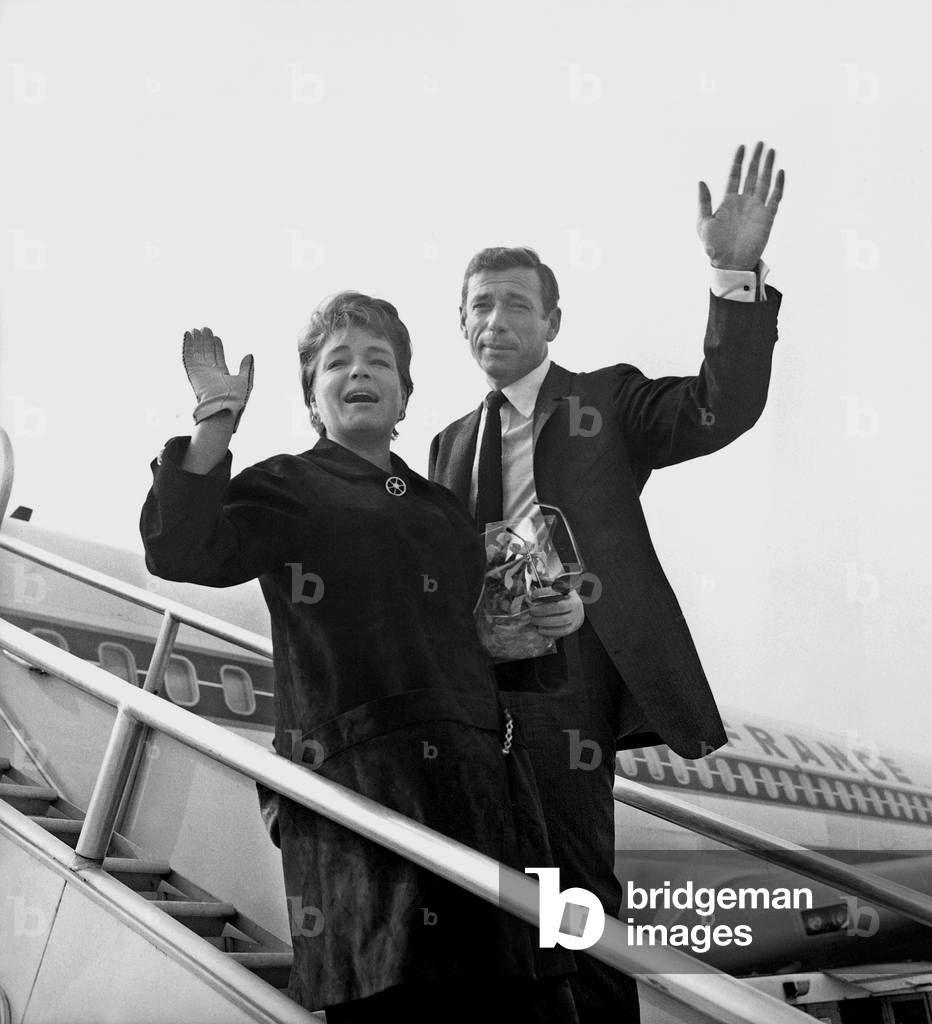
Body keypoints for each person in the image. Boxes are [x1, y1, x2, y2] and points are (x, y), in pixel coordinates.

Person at [139, 293, 578, 1022]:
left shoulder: (442, 511)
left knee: (524, 994)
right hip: (363, 807)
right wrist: (216, 421)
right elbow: (179, 547)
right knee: (393, 991)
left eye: (380, 361)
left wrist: (546, 617)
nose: (359, 372)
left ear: (405, 395)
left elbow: (486, 645)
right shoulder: (288, 485)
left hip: (483, 796)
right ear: (313, 399)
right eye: (336, 363)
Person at [429, 142, 786, 1022]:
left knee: (570, 894)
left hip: (565, 682)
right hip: (475, 688)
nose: (496, 320)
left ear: (552, 322)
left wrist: (731, 274)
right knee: (484, 895)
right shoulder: (442, 445)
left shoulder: (606, 401)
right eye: (480, 306)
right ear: (462, 326)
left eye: (518, 304)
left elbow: (720, 406)